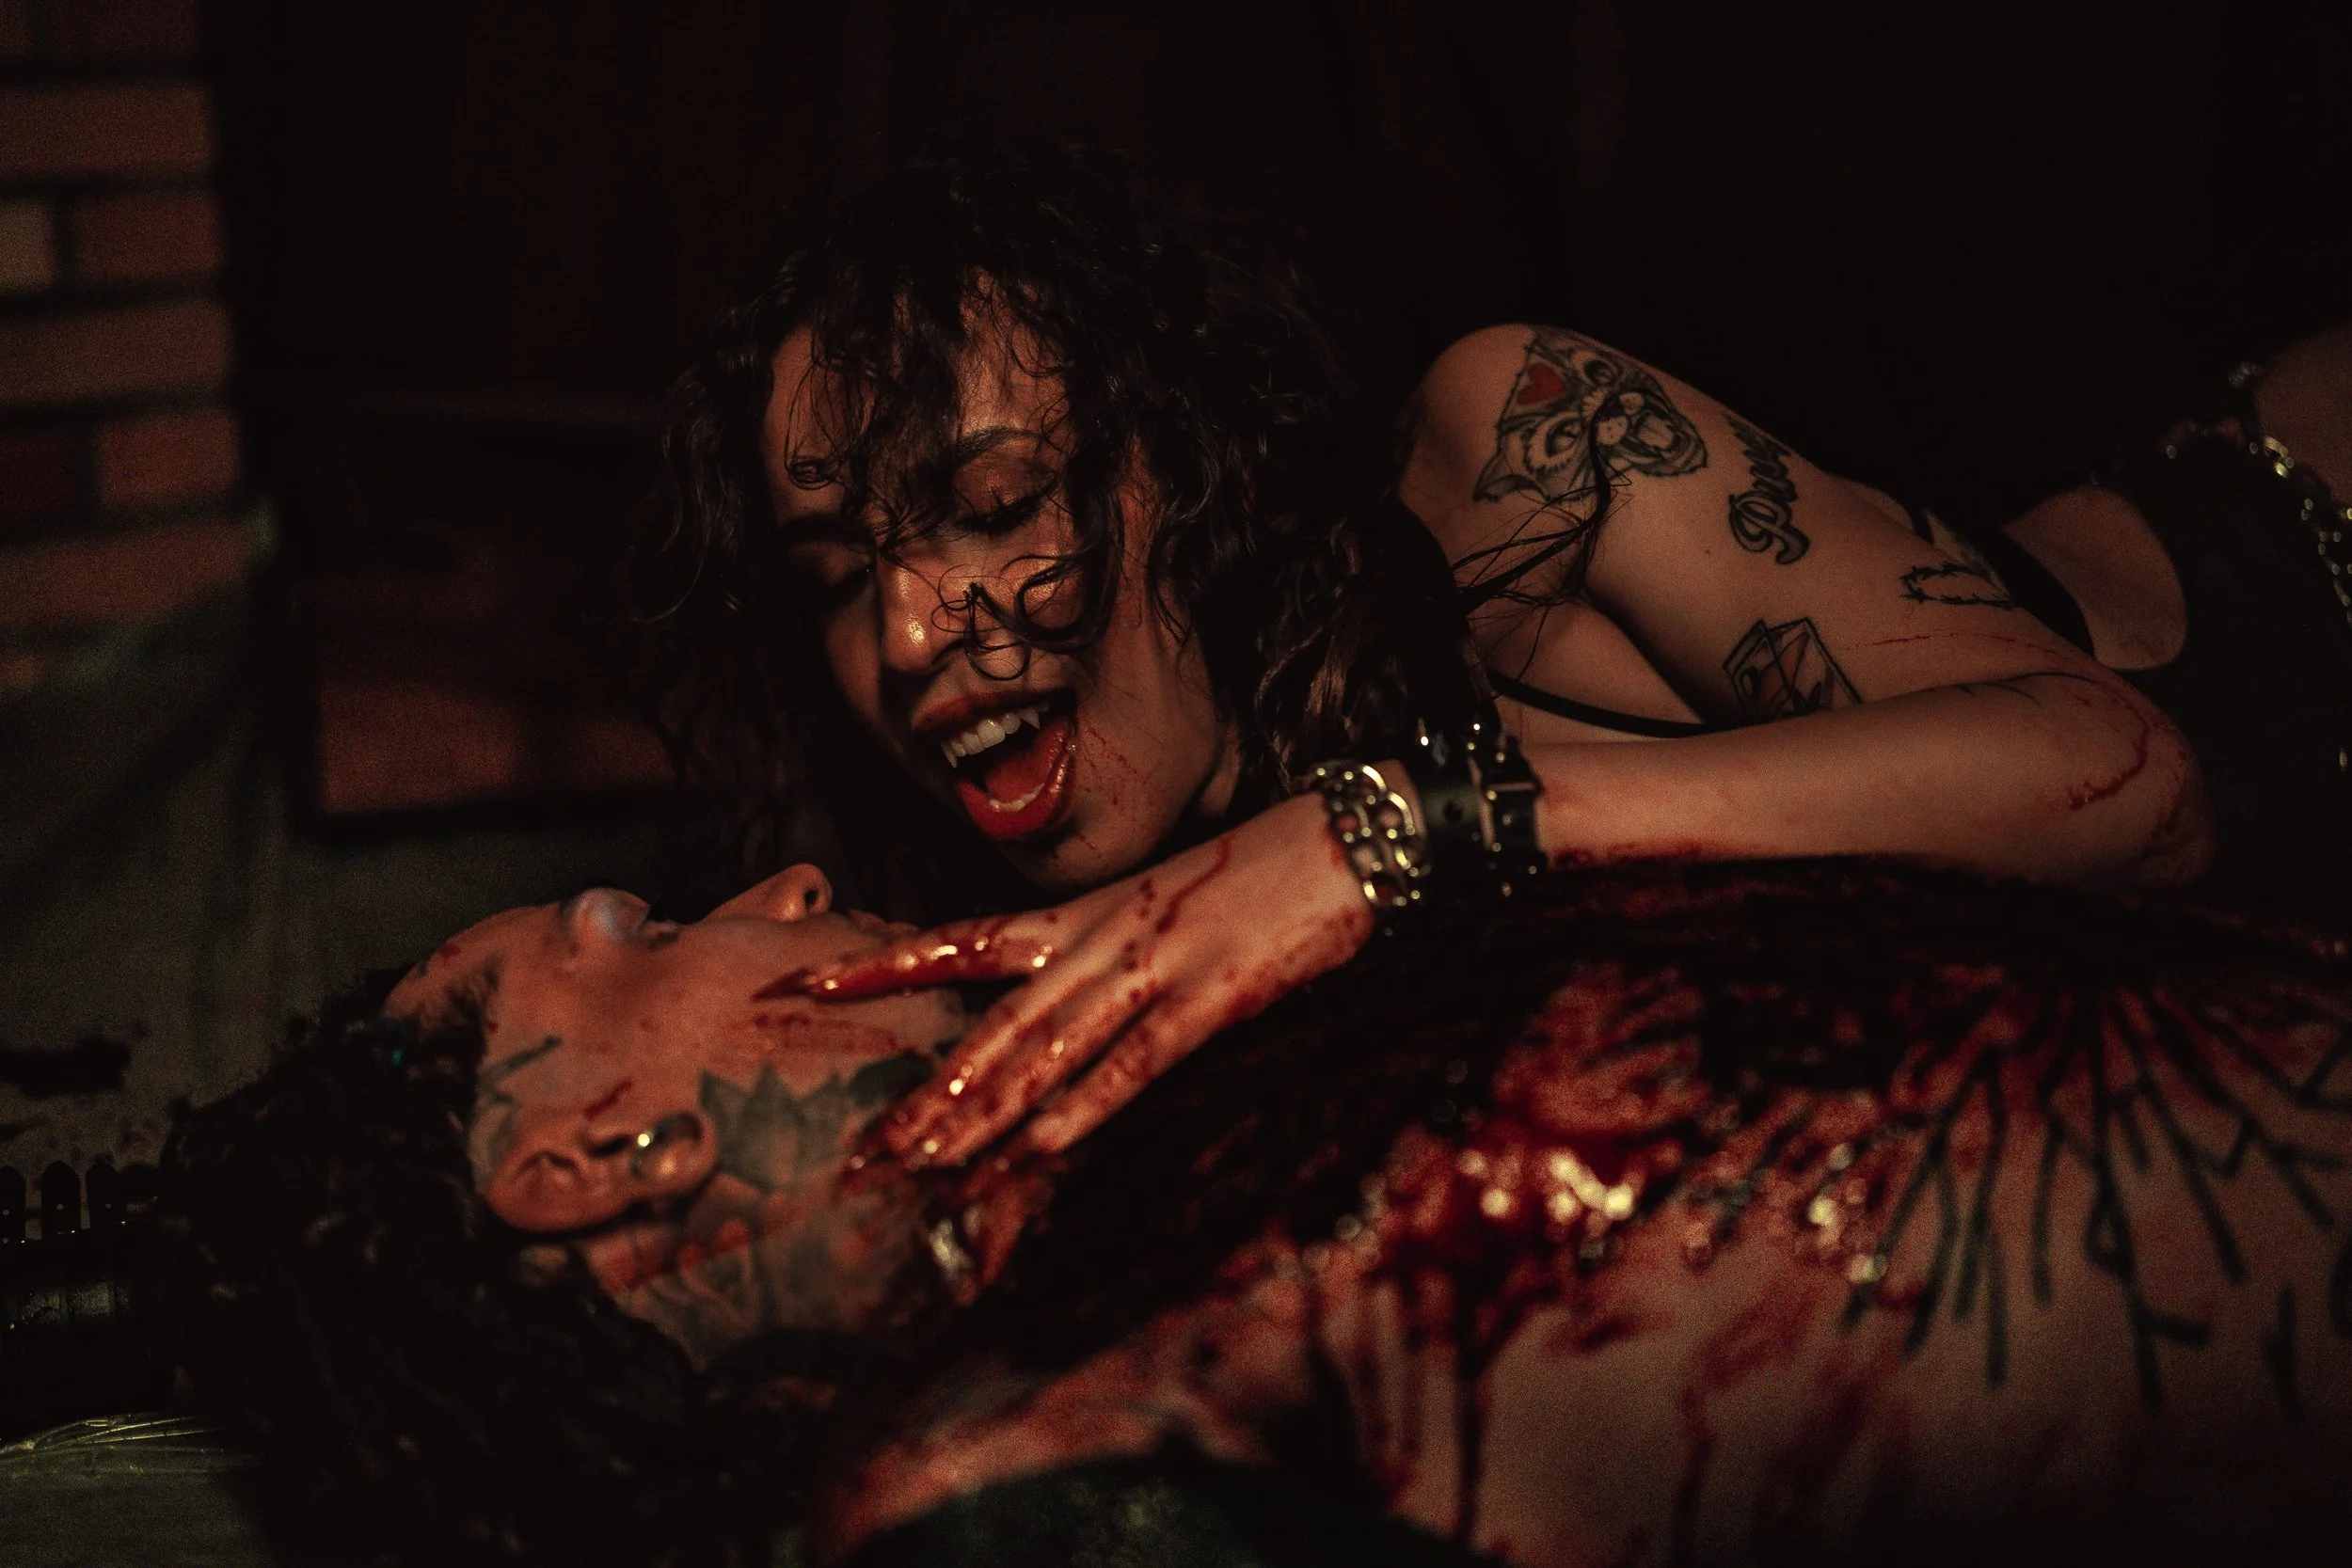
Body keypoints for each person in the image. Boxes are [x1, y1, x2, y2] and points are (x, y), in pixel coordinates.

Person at [636, 142, 2352, 1184]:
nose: (914, 633)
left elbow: (2135, 778)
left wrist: (1379, 842)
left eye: (998, 503)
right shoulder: (1059, 945)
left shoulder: (1504, 477)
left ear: (1179, 457)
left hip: (2295, 556)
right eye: (839, 579)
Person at [162, 857, 2352, 1566]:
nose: (789, 881)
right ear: (587, 1154)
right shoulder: (1019, 1472)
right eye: (640, 926)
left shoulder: (1176, 1078)